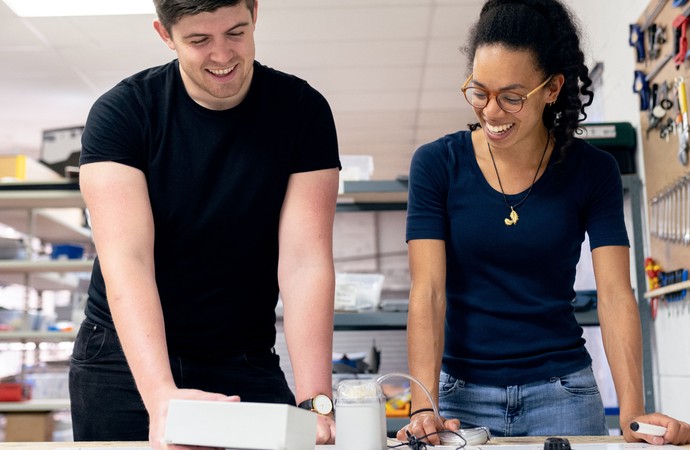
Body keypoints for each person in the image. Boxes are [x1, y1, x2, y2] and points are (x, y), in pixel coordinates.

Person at [398, 0, 690, 446]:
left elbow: (614, 296)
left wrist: (632, 412)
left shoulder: (593, 172)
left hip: (564, 394)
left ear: (552, 88)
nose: (492, 111)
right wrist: (424, 404)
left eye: (512, 97)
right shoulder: (437, 165)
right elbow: (429, 293)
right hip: (461, 399)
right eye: (479, 91)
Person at [70, 0, 340, 447]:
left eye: (235, 32)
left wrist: (315, 399)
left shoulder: (302, 111)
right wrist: (160, 397)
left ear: (255, 13)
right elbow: (127, 260)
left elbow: (305, 262)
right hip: (123, 359)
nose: (222, 55)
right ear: (165, 34)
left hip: (242, 353)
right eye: (199, 40)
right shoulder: (122, 113)